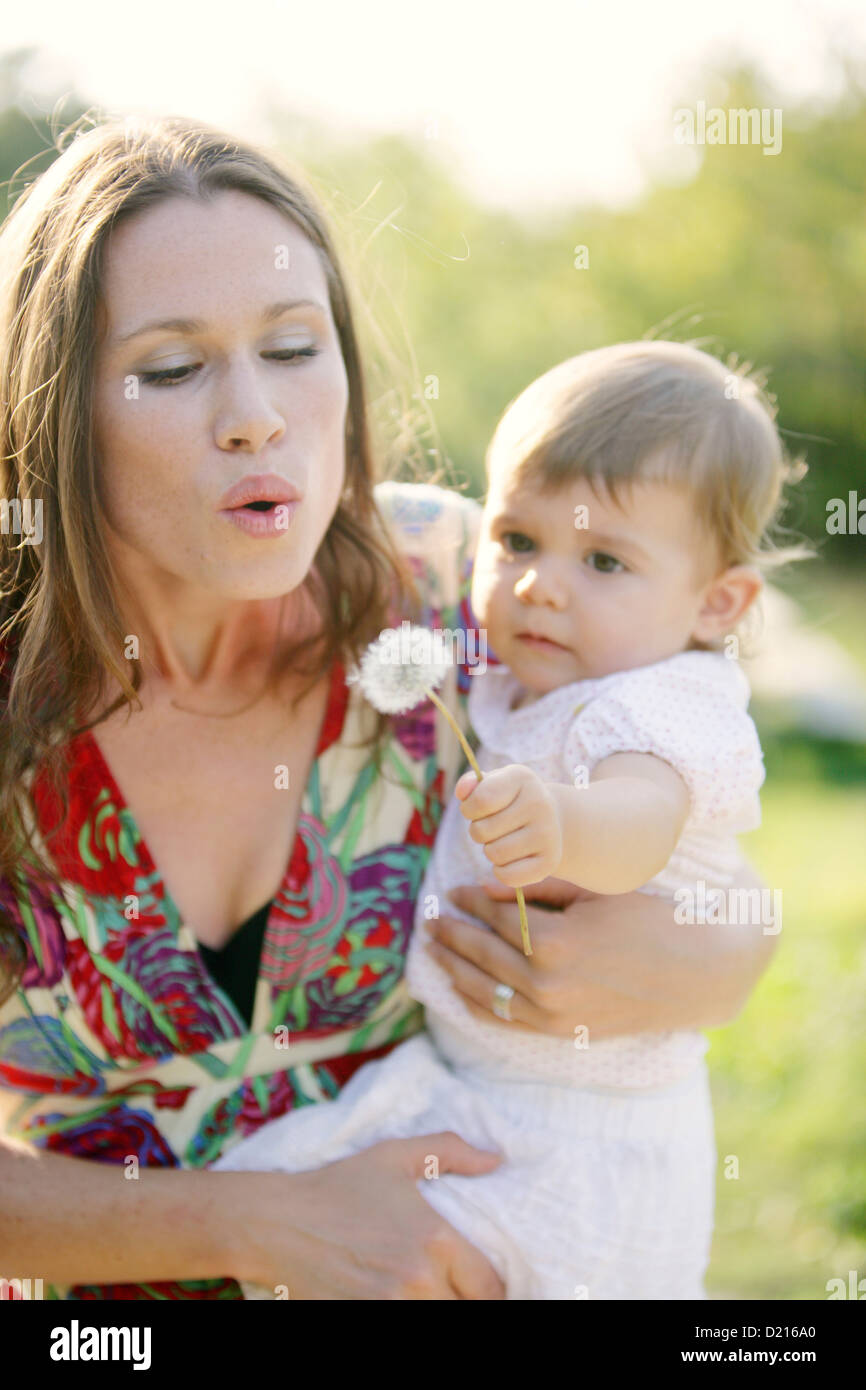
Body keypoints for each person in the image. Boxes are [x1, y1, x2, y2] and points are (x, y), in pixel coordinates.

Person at [0, 115, 775, 1301]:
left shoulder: (456, 584)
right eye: (170, 367)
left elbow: (692, 764)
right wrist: (256, 1225)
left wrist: (724, 958)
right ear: (53, 417)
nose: (255, 414)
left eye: (295, 346)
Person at [218, 341, 810, 1299]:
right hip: (479, 1092)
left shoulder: (665, 701)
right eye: (517, 541)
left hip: (588, 1134)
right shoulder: (516, 678)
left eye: (605, 559)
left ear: (717, 604)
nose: (540, 584)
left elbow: (646, 814)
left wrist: (569, 825)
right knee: (289, 1203)